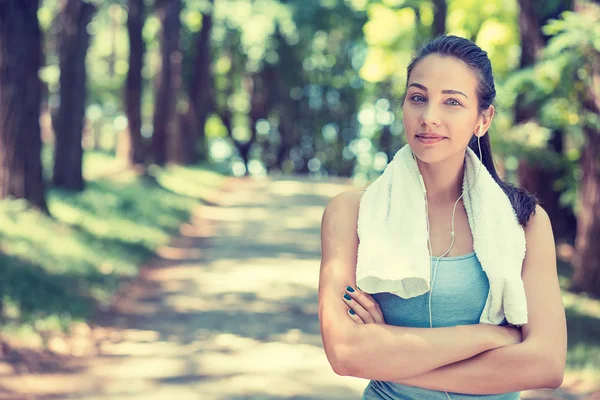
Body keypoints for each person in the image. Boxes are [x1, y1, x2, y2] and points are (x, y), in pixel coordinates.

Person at [318, 35, 567, 399]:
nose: (429, 117)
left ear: (483, 119)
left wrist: (388, 353)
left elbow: (546, 364)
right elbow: (346, 353)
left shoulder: (524, 222)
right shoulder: (351, 214)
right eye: (418, 98)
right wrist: (490, 336)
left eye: (452, 102)